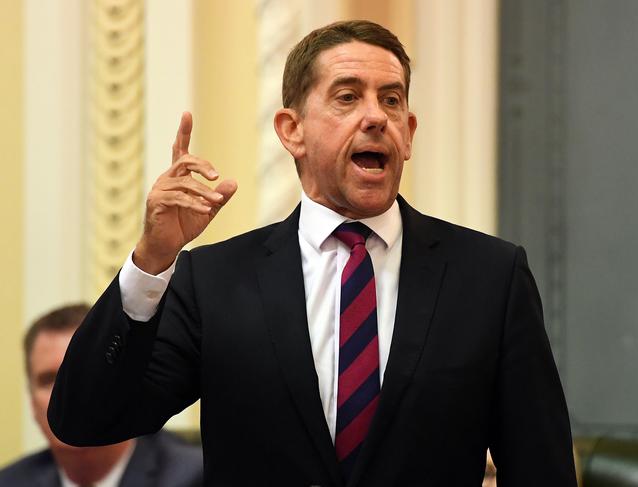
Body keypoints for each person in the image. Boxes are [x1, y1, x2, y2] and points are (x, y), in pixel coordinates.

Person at [48, 20, 578, 486]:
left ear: (409, 134)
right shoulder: (214, 281)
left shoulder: (490, 277)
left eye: (391, 100)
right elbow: (86, 419)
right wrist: (151, 260)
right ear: (292, 131)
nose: (376, 117)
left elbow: (540, 467)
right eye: (347, 97)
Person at [0, 304, 203, 487]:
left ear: (121, 385)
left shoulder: (196, 477)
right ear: (32, 402)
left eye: (81, 375)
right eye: (48, 380)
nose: (65, 396)